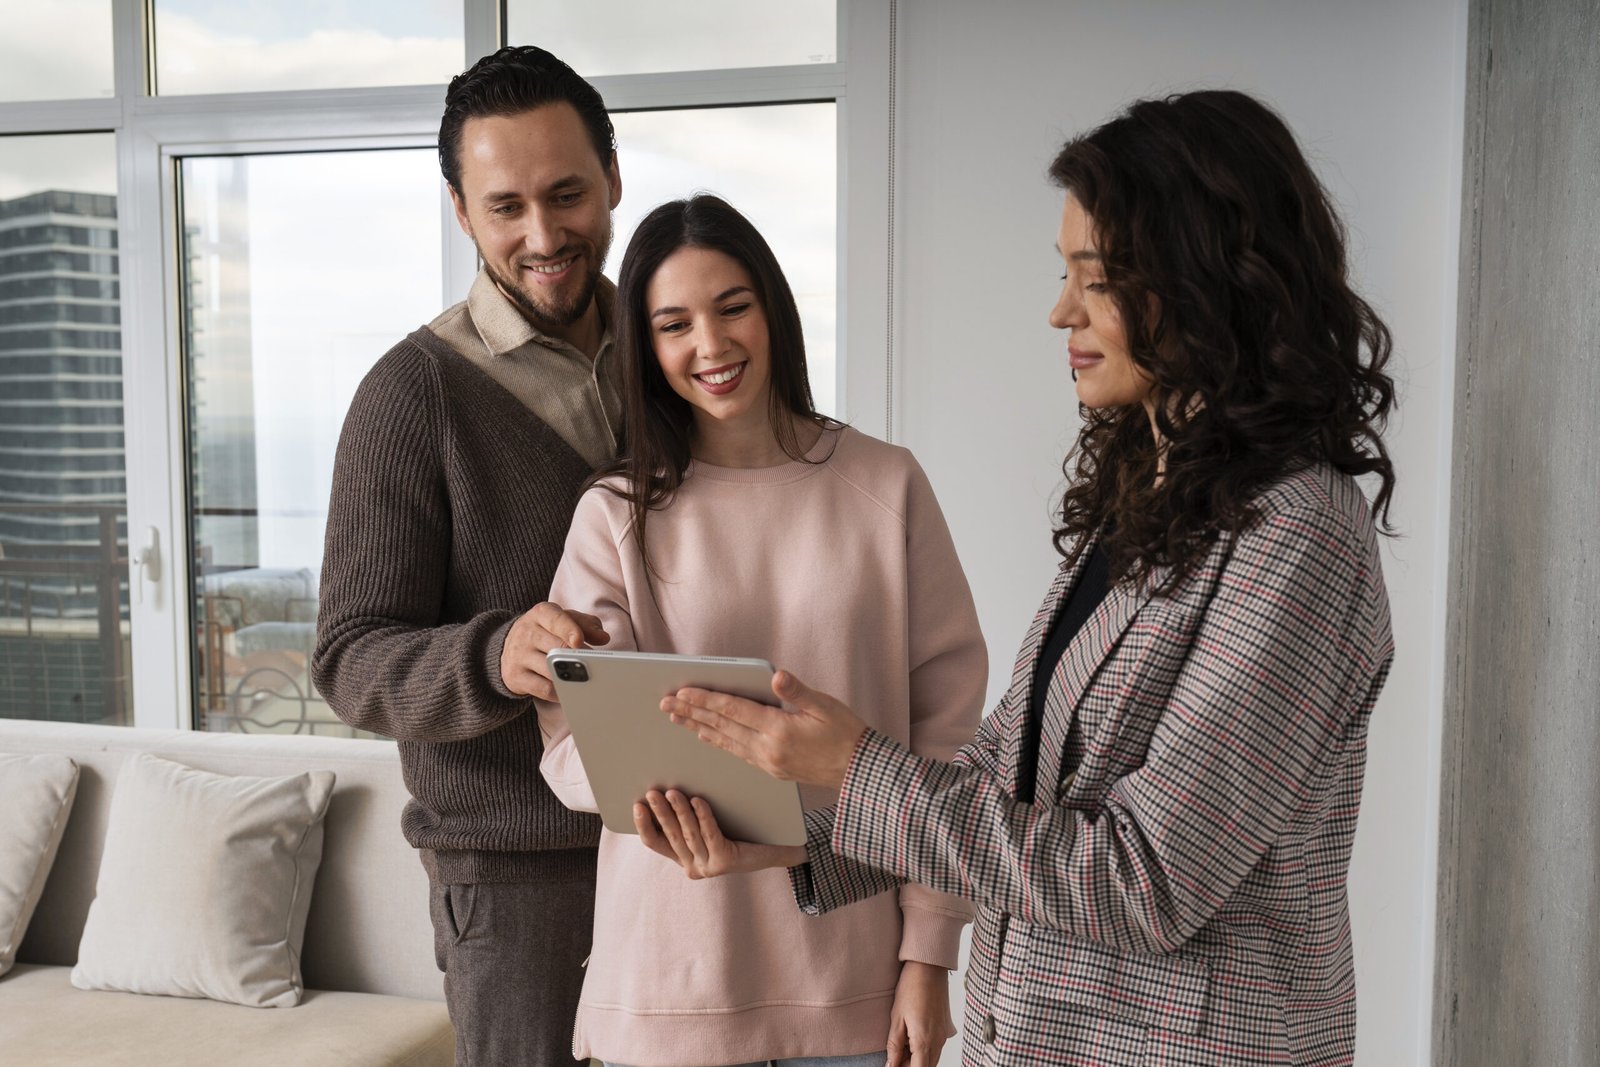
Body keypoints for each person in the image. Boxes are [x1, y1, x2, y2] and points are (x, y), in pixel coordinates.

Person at [638, 91, 1398, 1067]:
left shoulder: (1297, 533)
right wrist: (799, 838)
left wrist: (854, 764)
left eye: (1098, 277)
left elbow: (1145, 875)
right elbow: (1007, 778)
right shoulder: (1151, 498)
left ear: (1209, 281)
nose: (1060, 310)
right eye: (1063, 272)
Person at [532, 194, 988, 1067]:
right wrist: (654, 801)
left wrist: (928, 957)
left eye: (733, 306)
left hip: (853, 986)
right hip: (668, 983)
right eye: (674, 324)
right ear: (646, 346)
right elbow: (567, 742)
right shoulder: (613, 515)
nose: (711, 345)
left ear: (773, 308)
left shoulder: (886, 486)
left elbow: (950, 742)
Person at [312, 45, 626, 1067]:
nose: (543, 235)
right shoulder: (413, 394)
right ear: (461, 210)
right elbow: (350, 658)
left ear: (614, 180)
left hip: (692, 846)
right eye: (506, 207)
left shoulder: (677, 359)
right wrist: (495, 656)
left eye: (567, 194)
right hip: (514, 878)